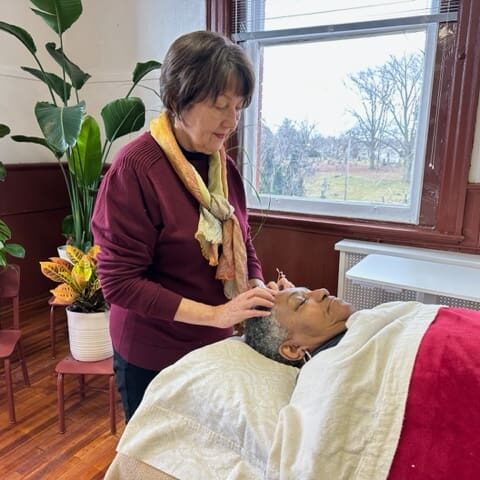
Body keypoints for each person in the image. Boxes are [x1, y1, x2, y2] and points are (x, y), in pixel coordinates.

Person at [91, 30, 285, 421]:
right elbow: (119, 283)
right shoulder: (136, 170)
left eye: (239, 107)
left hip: (214, 345)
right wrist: (217, 315)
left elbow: (243, 242)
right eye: (219, 105)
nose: (232, 121)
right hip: (154, 354)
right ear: (179, 99)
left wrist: (256, 287)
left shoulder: (221, 167)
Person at [245, 287, 352, 366]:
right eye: (301, 301)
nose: (323, 291)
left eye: (309, 291)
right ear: (293, 349)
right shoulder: (327, 378)